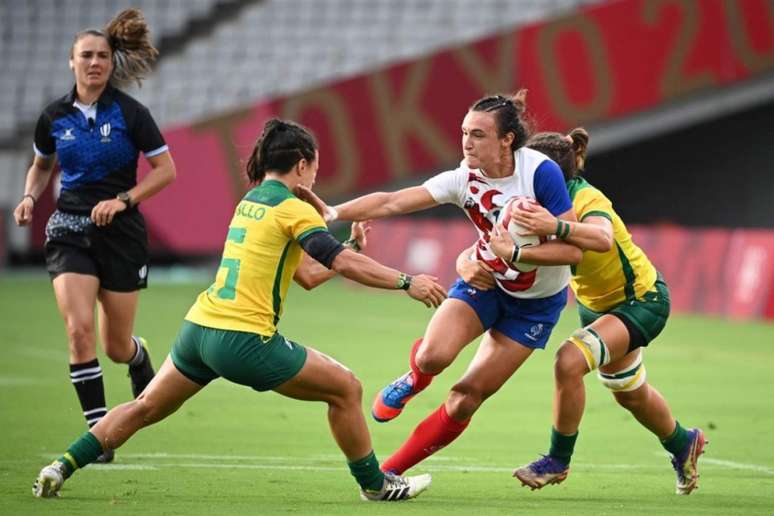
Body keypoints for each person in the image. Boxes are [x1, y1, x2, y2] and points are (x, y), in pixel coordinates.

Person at [33, 118, 448, 502]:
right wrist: (407, 282)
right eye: (315, 167)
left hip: (199, 330)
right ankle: (375, 486)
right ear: (301, 165)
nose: (315, 175)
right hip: (243, 340)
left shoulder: (251, 200)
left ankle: (61, 465)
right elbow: (337, 262)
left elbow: (305, 274)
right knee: (347, 389)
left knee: (143, 408)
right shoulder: (293, 208)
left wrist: (353, 245)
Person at [297, 91, 583, 475]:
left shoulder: (539, 173)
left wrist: (515, 254)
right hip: (485, 281)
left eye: (478, 134)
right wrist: (334, 211)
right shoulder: (462, 178)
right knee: (433, 357)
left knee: (466, 399)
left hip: (536, 303)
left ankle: (391, 472)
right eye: (465, 132)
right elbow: (393, 202)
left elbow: (573, 252)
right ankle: (414, 378)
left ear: (507, 140)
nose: (466, 142)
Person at [481, 128, 705, 495]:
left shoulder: (586, 198)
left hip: (640, 301)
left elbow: (600, 238)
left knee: (567, 362)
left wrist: (552, 227)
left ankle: (557, 461)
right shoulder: (526, 201)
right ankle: (683, 443)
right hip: (595, 307)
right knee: (629, 392)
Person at [13, 9, 175, 464]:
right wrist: (29, 196)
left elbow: (166, 171)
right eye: (86, 55)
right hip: (68, 231)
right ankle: (99, 435)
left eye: (102, 55)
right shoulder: (54, 116)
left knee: (115, 345)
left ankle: (139, 355)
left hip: (121, 233)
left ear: (111, 62)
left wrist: (124, 199)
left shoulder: (131, 113)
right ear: (72, 62)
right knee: (79, 331)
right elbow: (42, 164)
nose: (95, 62)